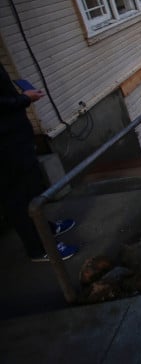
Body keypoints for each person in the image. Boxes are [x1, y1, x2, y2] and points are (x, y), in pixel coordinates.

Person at [0, 62, 78, 262]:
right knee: (17, 198)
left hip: (17, 138)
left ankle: (44, 228)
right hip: (5, 147)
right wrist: (24, 99)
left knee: (31, 188)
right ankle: (38, 247)